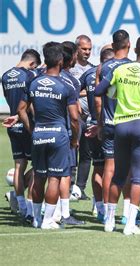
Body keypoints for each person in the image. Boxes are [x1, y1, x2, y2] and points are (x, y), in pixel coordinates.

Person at [95, 35, 140, 235]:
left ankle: (109, 221)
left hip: (121, 126)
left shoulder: (119, 69)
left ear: (134, 50)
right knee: (138, 177)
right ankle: (130, 224)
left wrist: (113, 91)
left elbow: (99, 90)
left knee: (118, 175)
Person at [17, 42, 80, 229]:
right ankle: (48, 220)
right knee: (54, 178)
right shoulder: (65, 85)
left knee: (39, 176)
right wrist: (75, 140)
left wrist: (32, 129)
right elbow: (75, 118)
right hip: (58, 134)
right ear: (61, 60)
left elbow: (21, 110)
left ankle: (36, 218)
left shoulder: (33, 82)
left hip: (39, 134)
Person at [94, 29, 131, 222]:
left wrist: (100, 123)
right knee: (130, 169)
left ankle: (108, 213)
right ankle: (126, 213)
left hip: (108, 123)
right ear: (129, 45)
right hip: (128, 123)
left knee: (109, 167)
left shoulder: (103, 67)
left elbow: (98, 100)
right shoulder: (135, 68)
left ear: (113, 45)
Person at [1, 49, 40, 221]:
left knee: (19, 165)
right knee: (39, 165)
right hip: (27, 125)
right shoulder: (29, 76)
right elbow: (30, 102)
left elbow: (8, 98)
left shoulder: (5, 76)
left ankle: (21, 205)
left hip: (12, 124)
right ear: (32, 64)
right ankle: (31, 209)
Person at [79, 48, 115, 222]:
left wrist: (81, 113)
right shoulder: (115, 73)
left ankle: (99, 207)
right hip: (108, 126)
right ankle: (109, 210)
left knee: (98, 167)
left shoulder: (87, 74)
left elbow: (73, 94)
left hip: (92, 124)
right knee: (113, 169)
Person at [57, 41, 85, 225]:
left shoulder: (43, 76)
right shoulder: (71, 81)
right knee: (65, 173)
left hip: (42, 129)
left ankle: (36, 210)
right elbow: (75, 114)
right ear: (72, 56)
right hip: (65, 132)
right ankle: (64, 213)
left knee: (42, 171)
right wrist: (75, 138)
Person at [70, 35, 94, 200]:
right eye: (84, 49)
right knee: (73, 150)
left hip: (90, 119)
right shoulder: (71, 68)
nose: (87, 52)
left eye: (89, 49)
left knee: (86, 154)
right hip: (75, 117)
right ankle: (70, 185)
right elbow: (70, 91)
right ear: (76, 48)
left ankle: (80, 188)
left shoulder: (93, 68)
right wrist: (88, 91)